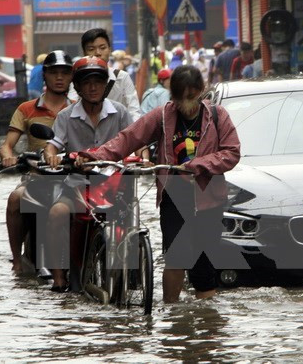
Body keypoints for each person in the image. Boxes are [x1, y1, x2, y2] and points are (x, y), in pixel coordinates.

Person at [76, 65, 241, 302]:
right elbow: (129, 138)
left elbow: (232, 152)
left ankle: (207, 326)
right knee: (175, 257)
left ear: (200, 91)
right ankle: (173, 317)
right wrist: (95, 156)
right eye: (180, 97)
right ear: (172, 96)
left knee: (204, 266)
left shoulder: (217, 116)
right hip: (174, 197)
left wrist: (199, 164)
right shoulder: (163, 116)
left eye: (191, 96)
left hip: (208, 201)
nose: (186, 103)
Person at [44, 56, 133, 291]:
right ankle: (59, 276)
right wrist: (51, 155)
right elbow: (53, 144)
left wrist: (142, 157)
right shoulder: (66, 116)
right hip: (77, 184)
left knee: (132, 221)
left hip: (115, 184)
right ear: (79, 86)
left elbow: (135, 141)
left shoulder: (121, 112)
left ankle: (132, 273)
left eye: (98, 82)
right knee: (56, 213)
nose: (93, 87)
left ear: (106, 85)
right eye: (87, 82)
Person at [0, 50, 74, 274]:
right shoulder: (26, 109)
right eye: (54, 73)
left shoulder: (78, 108)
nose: (59, 78)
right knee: (14, 200)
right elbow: (7, 144)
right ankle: (17, 260)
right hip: (37, 175)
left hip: (71, 175)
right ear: (45, 76)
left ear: (71, 77)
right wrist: (8, 156)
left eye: (64, 73)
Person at [74, 28, 142, 122]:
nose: (98, 53)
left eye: (102, 48)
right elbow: (73, 105)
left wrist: (129, 134)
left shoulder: (122, 77)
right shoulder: (77, 78)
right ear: (84, 53)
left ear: (109, 50)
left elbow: (134, 111)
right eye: (91, 49)